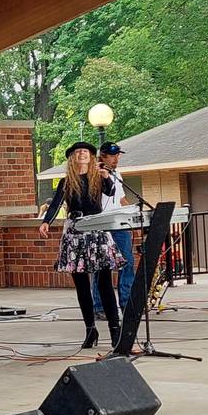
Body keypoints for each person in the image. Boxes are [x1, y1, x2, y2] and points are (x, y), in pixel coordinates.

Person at [38, 142, 124, 351]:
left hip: (97, 230)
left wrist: (105, 177)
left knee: (104, 281)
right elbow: (57, 203)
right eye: (78, 152)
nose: (82, 154)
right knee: (81, 285)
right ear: (72, 159)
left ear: (92, 157)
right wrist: (46, 221)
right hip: (75, 231)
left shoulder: (99, 178)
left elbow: (111, 191)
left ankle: (115, 329)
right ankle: (90, 329)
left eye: (85, 151)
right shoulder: (67, 182)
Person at [97, 143, 135, 312]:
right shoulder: (95, 173)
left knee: (127, 261)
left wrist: (134, 214)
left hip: (119, 223)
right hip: (102, 224)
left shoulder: (117, 174)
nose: (116, 159)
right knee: (101, 266)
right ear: (102, 156)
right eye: (113, 156)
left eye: (118, 155)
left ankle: (127, 303)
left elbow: (121, 200)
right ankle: (99, 307)